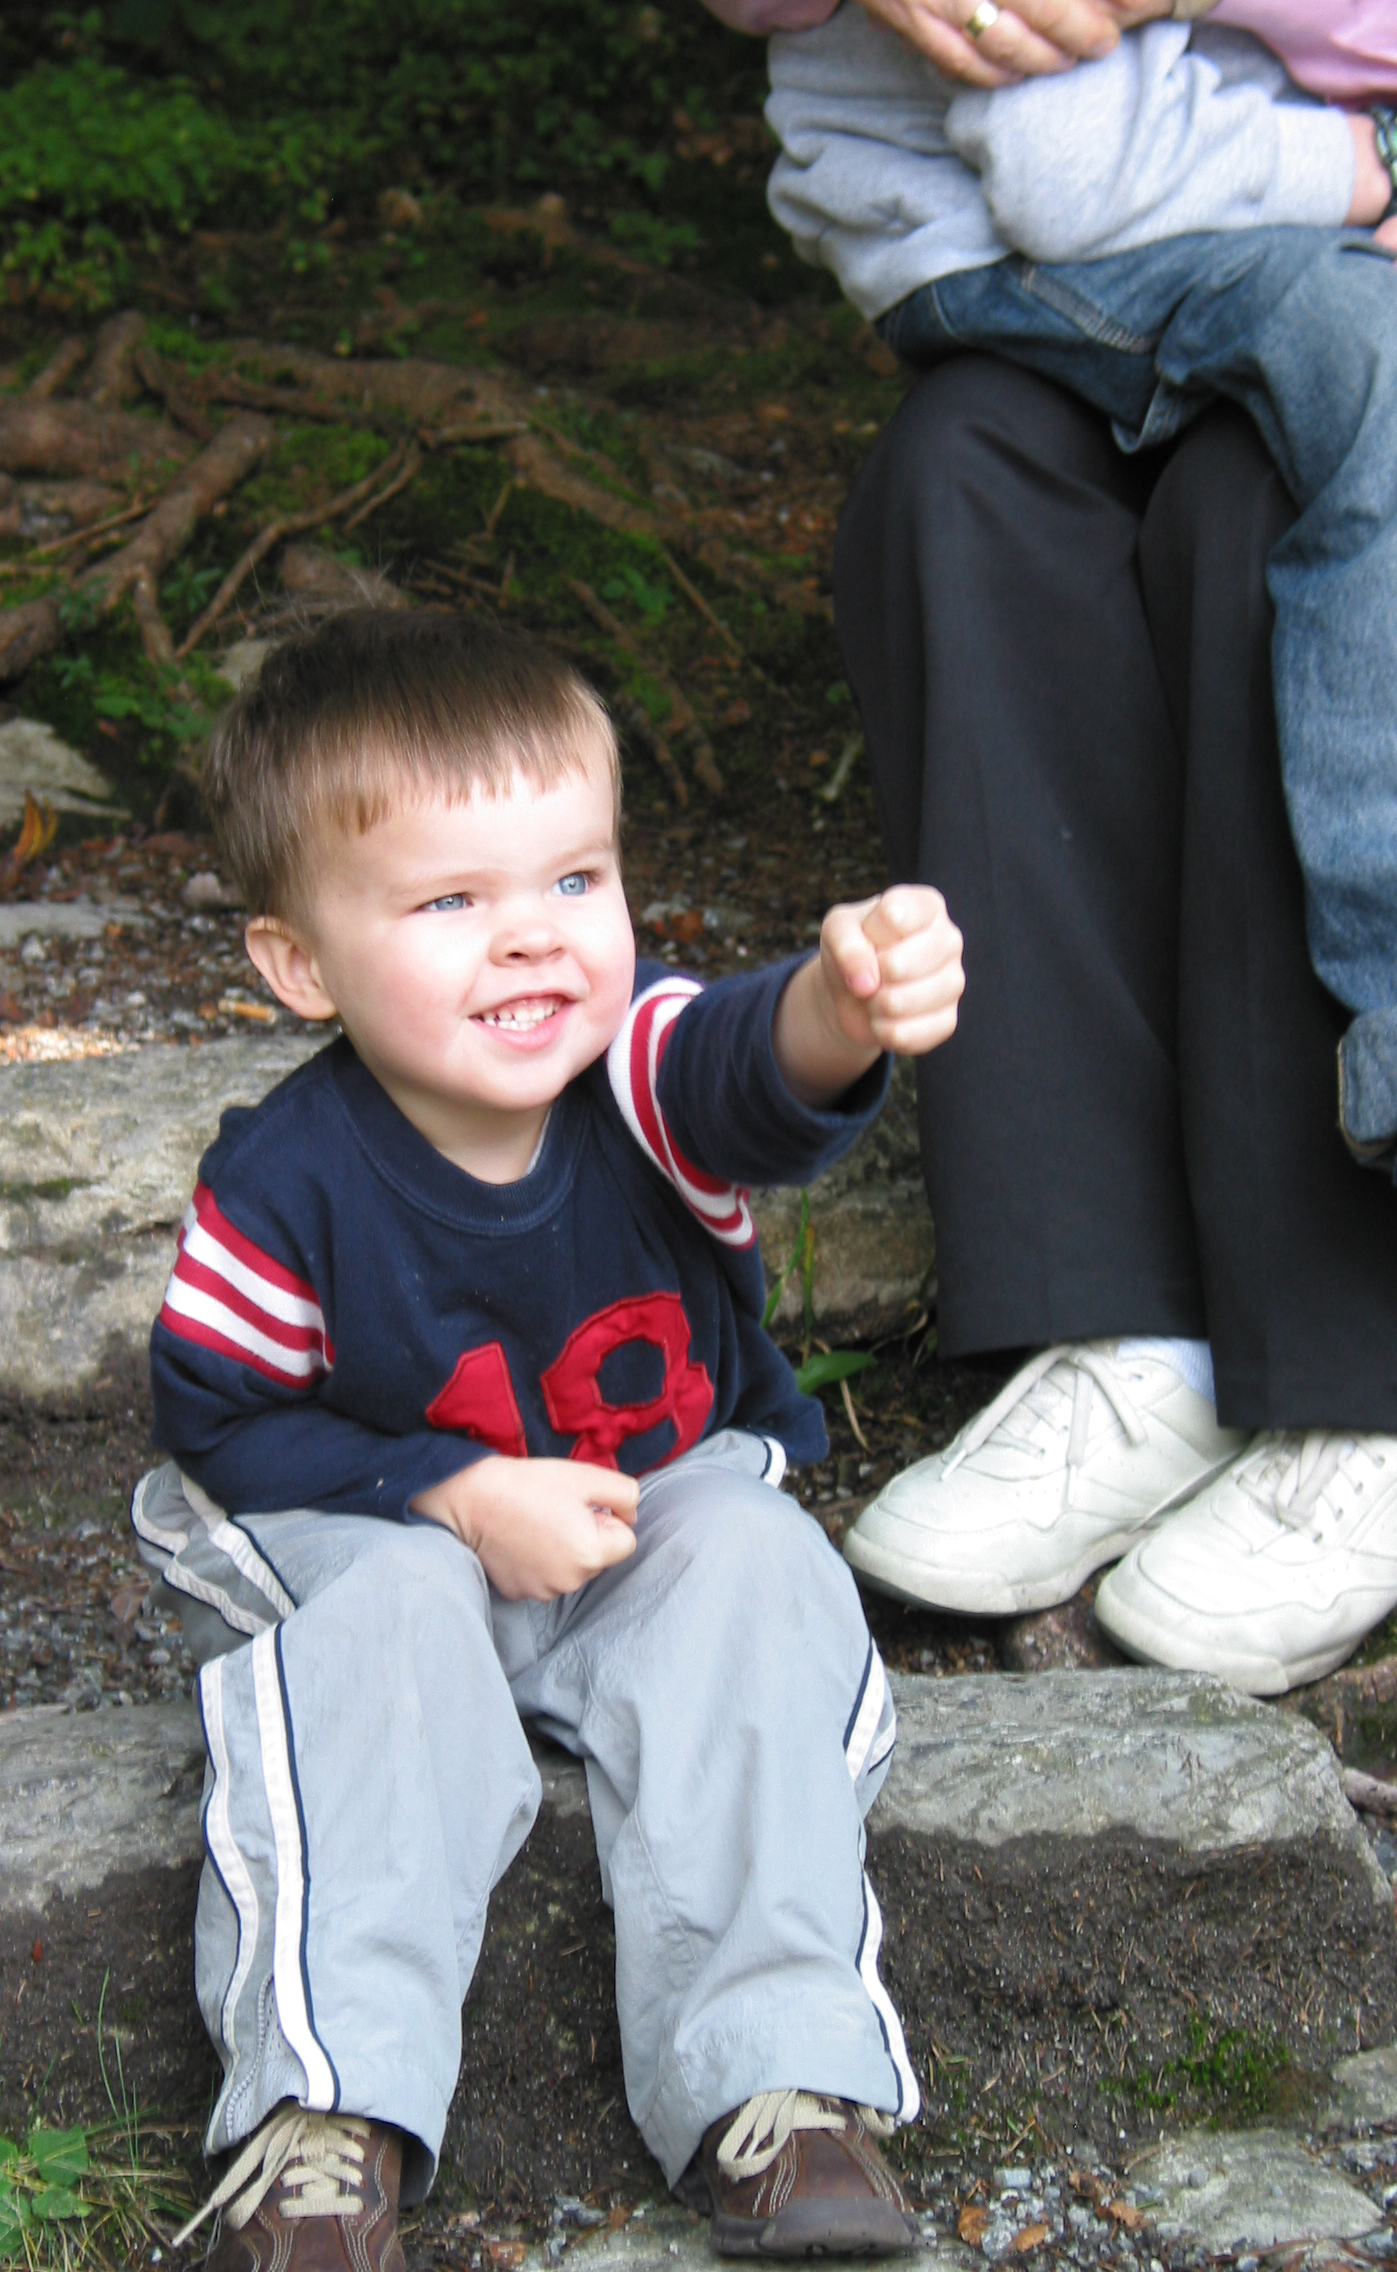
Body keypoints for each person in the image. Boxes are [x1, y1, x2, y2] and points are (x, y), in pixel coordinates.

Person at [133, 608, 966, 2269]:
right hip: (377, 1522)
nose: (532, 942)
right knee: (376, 1626)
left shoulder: (633, 1067)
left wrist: (840, 999)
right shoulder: (284, 1185)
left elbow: (748, 1062)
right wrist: (447, 1495)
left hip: (633, 1518)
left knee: (756, 1557)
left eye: (573, 881)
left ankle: (779, 2079)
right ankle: (326, 2116)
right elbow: (219, 1418)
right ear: (300, 963)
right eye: (451, 903)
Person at [704, 0, 1397, 1692]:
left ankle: (1353, 1374)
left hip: (1310, 213)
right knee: (963, 471)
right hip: (1122, 216)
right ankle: (1128, 1322)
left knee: (1266, 489)